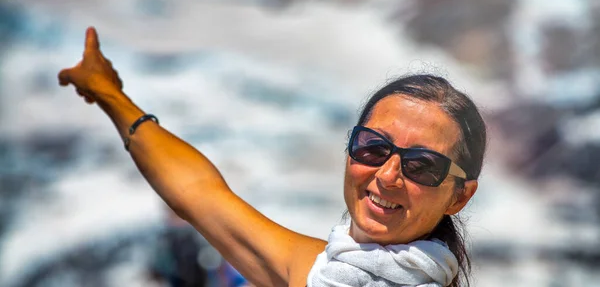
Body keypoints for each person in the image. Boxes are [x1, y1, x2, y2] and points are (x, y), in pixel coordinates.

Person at [58, 27, 486, 287]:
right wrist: (110, 95)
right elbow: (199, 194)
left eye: (421, 165)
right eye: (373, 147)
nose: (388, 174)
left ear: (459, 197)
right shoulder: (319, 273)